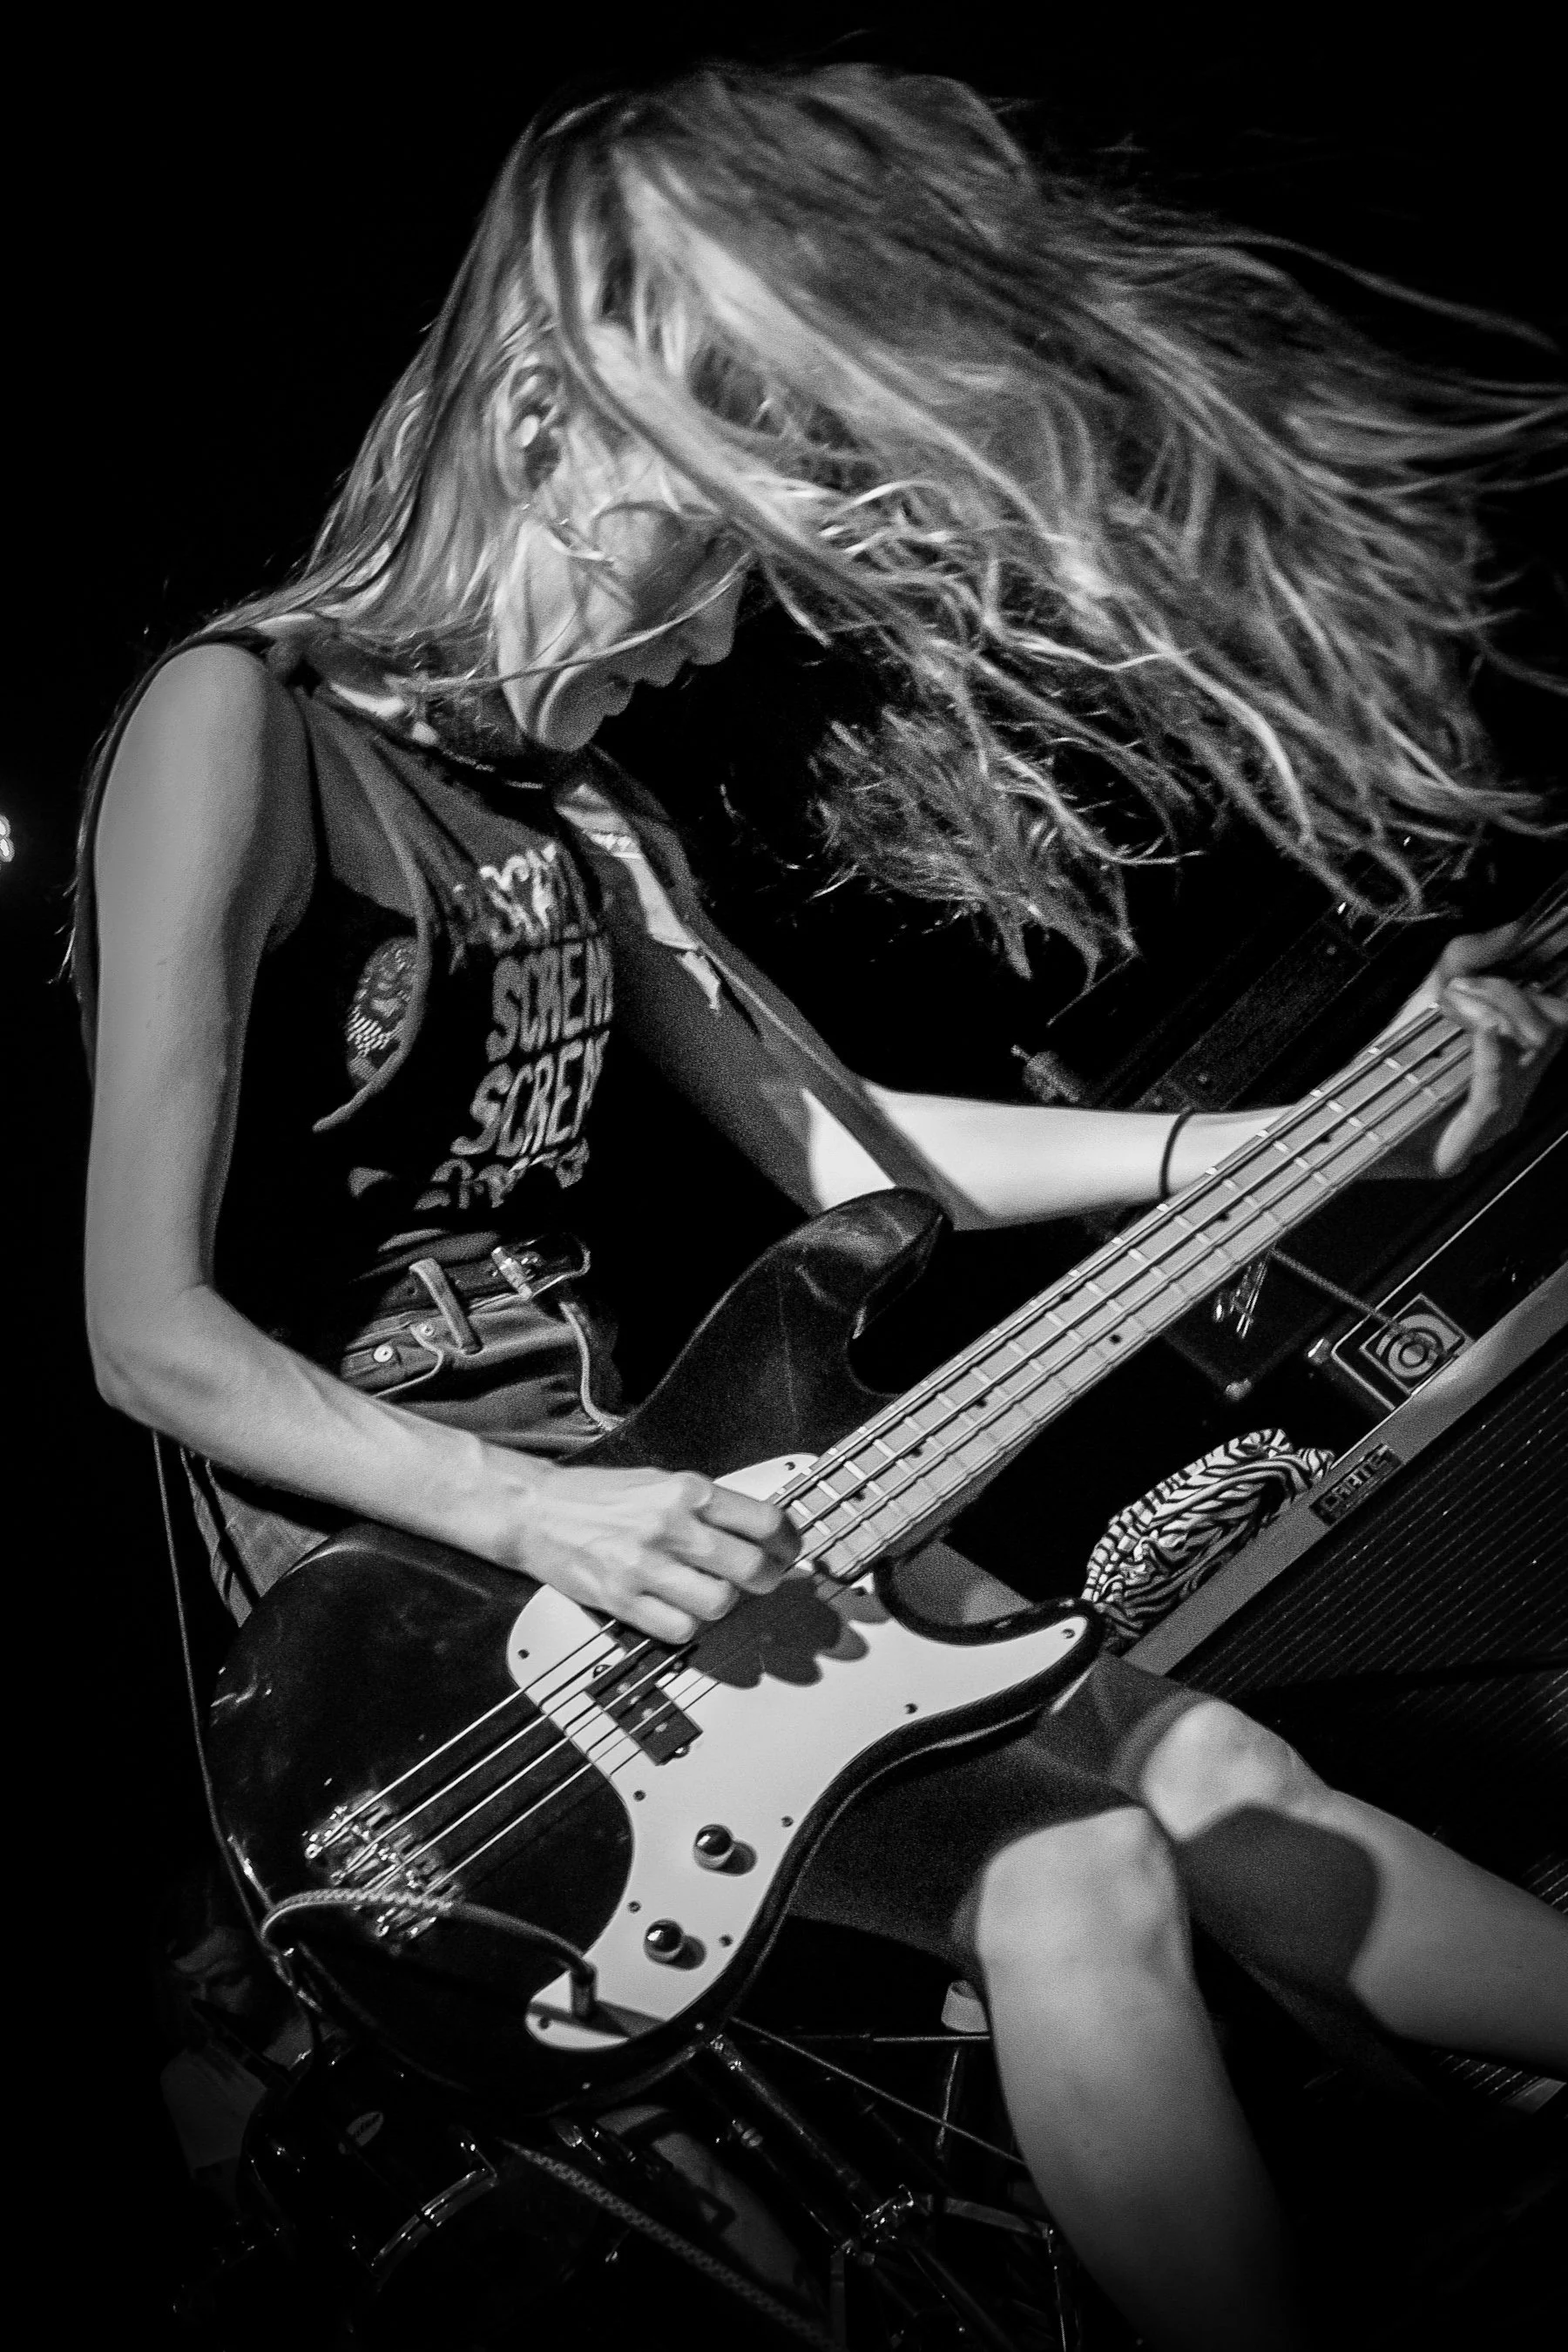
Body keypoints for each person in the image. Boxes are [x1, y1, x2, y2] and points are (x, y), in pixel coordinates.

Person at [77, 63, 1568, 2352]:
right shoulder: (239, 724)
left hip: (718, 1496)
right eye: (716, 511)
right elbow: (145, 1333)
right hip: (454, 1645)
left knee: (1234, 1781)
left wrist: (1315, 1132)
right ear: (553, 417)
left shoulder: (585, 833)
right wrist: (536, 1516)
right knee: (1076, 1885)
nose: (732, 616)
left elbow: (858, 1153)